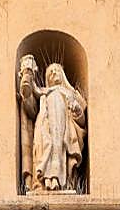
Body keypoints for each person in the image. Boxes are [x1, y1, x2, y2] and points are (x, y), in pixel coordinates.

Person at [19, 59, 87, 192]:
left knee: (58, 149)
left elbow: (81, 124)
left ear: (63, 75)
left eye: (57, 70)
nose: (54, 73)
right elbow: (31, 109)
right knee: (45, 149)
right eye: (50, 72)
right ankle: (44, 182)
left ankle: (63, 182)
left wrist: (77, 111)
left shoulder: (71, 95)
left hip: (63, 132)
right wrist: (27, 84)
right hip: (45, 131)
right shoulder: (44, 94)